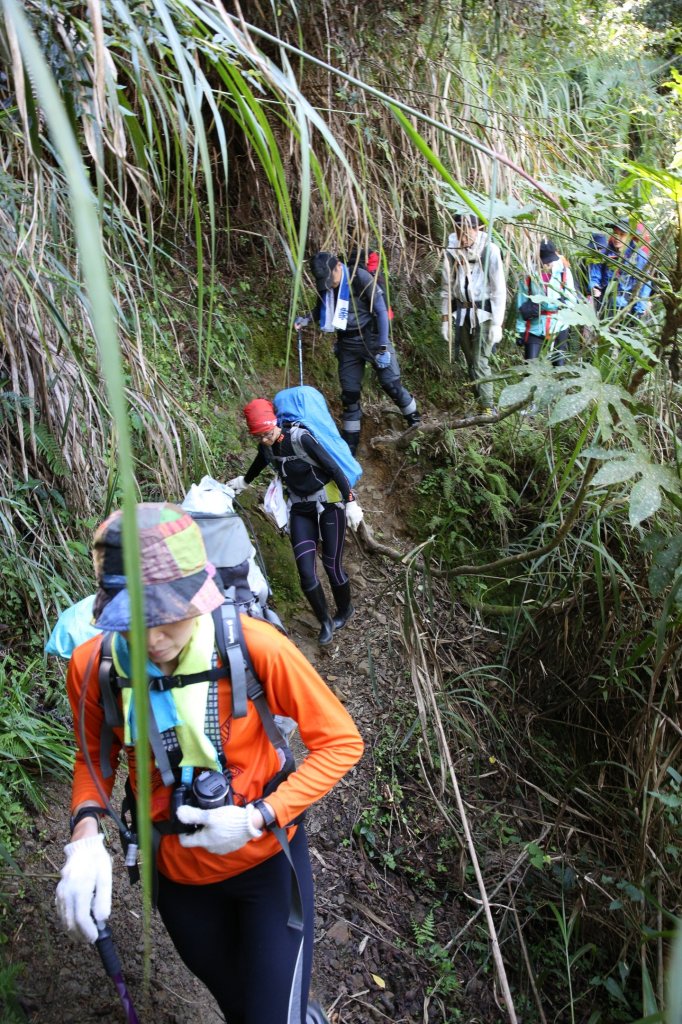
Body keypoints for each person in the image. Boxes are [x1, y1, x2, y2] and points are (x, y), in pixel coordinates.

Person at [55, 502, 364, 1024]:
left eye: (164, 615)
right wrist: (85, 835)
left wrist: (258, 816)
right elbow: (94, 764)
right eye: (131, 620)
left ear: (198, 597)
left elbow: (340, 742)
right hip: (176, 880)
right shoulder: (95, 668)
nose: (150, 639)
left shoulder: (255, 647)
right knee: (240, 1008)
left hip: (269, 863)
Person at [228, 399, 363, 645]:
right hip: (300, 508)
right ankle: (325, 621)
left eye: (268, 433)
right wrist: (244, 482)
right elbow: (258, 464)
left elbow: (333, 468)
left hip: (329, 504)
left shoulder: (301, 439)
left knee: (332, 566)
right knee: (305, 573)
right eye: (260, 436)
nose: (266, 440)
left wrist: (351, 501)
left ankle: (345, 610)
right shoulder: (267, 448)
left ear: (275, 424)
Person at [294, 251, 420, 455]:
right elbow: (322, 308)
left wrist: (382, 347)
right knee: (350, 395)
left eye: (331, 278)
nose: (329, 284)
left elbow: (380, 311)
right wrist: (307, 319)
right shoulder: (326, 285)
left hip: (372, 338)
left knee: (391, 385)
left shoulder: (359, 278)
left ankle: (416, 423)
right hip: (347, 344)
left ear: (337, 267)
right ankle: (350, 446)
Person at [441, 213, 507, 414]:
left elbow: (499, 289)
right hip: (462, 311)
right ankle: (481, 405)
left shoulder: (490, 251)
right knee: (471, 362)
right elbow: (446, 288)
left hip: (485, 313)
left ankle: (488, 408)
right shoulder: (451, 251)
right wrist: (445, 319)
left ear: (478, 229)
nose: (462, 235)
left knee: (480, 361)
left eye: (467, 230)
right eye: (459, 229)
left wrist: (497, 323)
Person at [516, 239, 575, 365]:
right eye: (545, 262)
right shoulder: (528, 274)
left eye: (550, 261)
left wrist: (564, 304)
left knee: (559, 368)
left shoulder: (564, 272)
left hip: (559, 325)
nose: (548, 265)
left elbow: (571, 298)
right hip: (534, 326)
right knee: (530, 368)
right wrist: (520, 331)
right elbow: (521, 305)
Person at [587, 221, 652, 318]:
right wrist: (594, 286)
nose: (617, 238)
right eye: (615, 234)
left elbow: (644, 283)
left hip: (627, 306)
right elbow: (596, 274)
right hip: (605, 303)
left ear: (630, 236)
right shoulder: (605, 253)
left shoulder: (639, 257)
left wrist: (640, 308)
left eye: (622, 235)